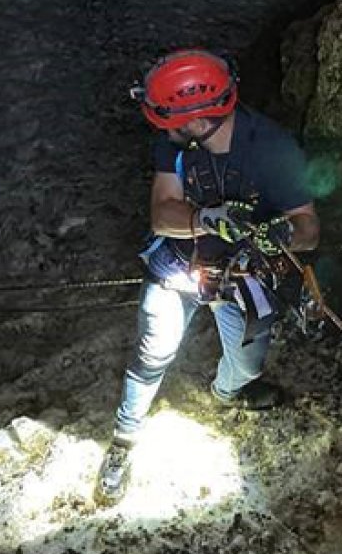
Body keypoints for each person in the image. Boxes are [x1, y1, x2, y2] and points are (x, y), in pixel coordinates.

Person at [97, 49, 320, 501]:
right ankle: (124, 438)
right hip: (178, 266)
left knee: (248, 365)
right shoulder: (177, 143)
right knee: (153, 353)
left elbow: (309, 228)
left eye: (168, 123)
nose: (163, 130)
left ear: (197, 120)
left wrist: (282, 233)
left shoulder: (273, 150)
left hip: (242, 275)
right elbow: (163, 214)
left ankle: (227, 391)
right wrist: (207, 219)